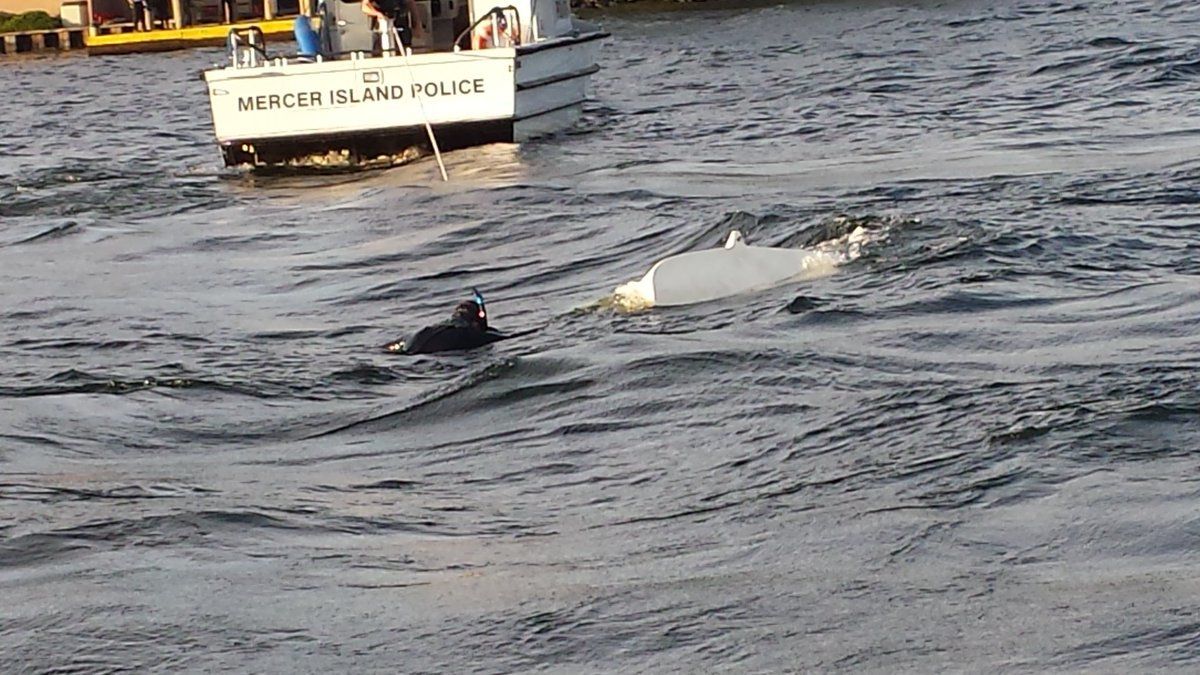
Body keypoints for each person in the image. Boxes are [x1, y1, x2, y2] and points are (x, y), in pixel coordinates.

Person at [385, 289, 512, 355]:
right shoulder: (470, 335)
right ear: (475, 323)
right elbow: (504, 338)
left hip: (412, 349)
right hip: (432, 360)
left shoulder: (431, 328)